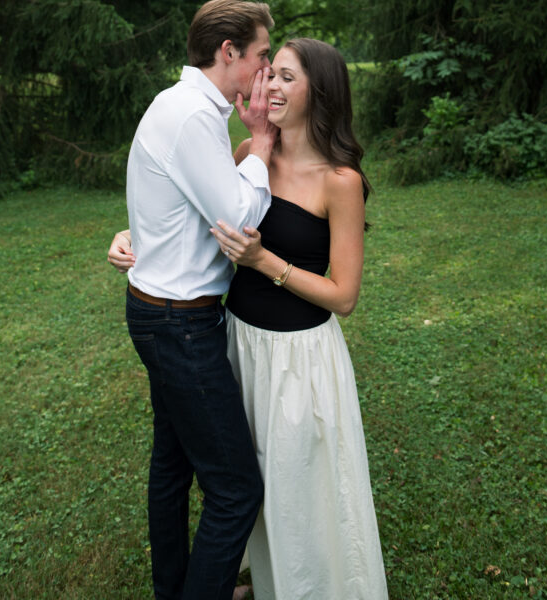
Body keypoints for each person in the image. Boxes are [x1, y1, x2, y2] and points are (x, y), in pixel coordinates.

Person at [110, 37, 389, 600]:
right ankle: (258, 578)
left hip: (298, 357)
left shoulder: (341, 181)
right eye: (270, 73)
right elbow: (196, 219)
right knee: (246, 475)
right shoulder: (248, 155)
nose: (269, 86)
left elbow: (344, 295)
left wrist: (265, 261)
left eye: (286, 77)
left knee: (296, 483)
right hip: (236, 343)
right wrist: (132, 237)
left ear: (322, 91)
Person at [111, 0, 278, 600]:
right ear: (228, 52)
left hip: (157, 309)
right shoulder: (192, 118)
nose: (266, 70)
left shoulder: (181, 106)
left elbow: (174, 202)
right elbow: (235, 224)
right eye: (262, 56)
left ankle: (174, 588)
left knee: (173, 464)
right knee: (236, 490)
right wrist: (260, 141)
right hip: (181, 325)